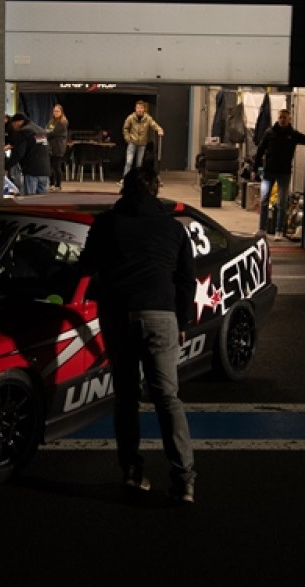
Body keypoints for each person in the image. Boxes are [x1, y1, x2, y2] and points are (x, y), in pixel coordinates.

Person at [79, 167, 197, 504]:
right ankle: (184, 481)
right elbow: (185, 281)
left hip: (117, 314)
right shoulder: (173, 229)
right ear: (155, 190)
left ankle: (132, 472)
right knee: (167, 397)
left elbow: (85, 267)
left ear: (125, 190)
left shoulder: (106, 224)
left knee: (126, 397)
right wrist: (183, 321)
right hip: (160, 314)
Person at [253, 109, 305, 240]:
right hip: (269, 172)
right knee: (264, 200)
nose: (282, 120)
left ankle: (279, 231)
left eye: (284, 118)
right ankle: (262, 229)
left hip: (284, 173)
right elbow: (260, 150)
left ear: (289, 119)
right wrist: (255, 169)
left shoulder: (293, 135)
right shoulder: (270, 133)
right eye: (280, 117)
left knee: (282, 203)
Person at [5, 113, 51, 195]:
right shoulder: (40, 130)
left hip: (32, 170)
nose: (13, 127)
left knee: (30, 199)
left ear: (18, 122)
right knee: (42, 200)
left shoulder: (23, 131)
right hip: (44, 170)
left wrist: (6, 166)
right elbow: (38, 146)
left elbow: (19, 153)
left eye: (13, 124)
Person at [120, 100, 163, 184]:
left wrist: (159, 129)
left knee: (139, 163)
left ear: (144, 109)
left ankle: (137, 180)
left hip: (142, 144)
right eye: (138, 108)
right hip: (132, 142)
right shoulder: (131, 118)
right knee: (129, 162)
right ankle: (125, 179)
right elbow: (125, 128)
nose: (139, 110)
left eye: (141, 108)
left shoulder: (147, 118)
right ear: (135, 109)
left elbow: (154, 124)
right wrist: (128, 138)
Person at [46, 104, 69, 191]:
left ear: (61, 112)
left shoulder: (63, 122)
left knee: (56, 167)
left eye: (57, 111)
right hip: (50, 147)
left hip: (58, 147)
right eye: (54, 111)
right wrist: (46, 132)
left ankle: (58, 185)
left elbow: (54, 133)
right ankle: (51, 184)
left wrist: (46, 133)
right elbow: (47, 129)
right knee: (50, 167)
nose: (55, 113)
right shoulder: (51, 121)